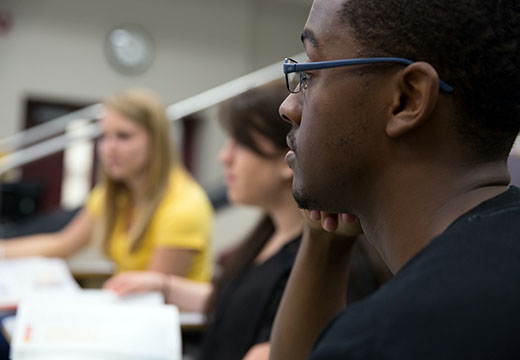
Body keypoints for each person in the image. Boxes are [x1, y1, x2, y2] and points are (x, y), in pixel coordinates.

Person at [271, 0, 520, 359]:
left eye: (311, 72)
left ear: (406, 100)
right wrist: (323, 242)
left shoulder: (391, 336)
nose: (289, 107)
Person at [0, 89, 213, 282]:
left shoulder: (183, 207)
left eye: (123, 136)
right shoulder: (113, 195)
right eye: (104, 136)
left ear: (157, 142)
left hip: (166, 320)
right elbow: (62, 244)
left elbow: (152, 294)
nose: (109, 149)